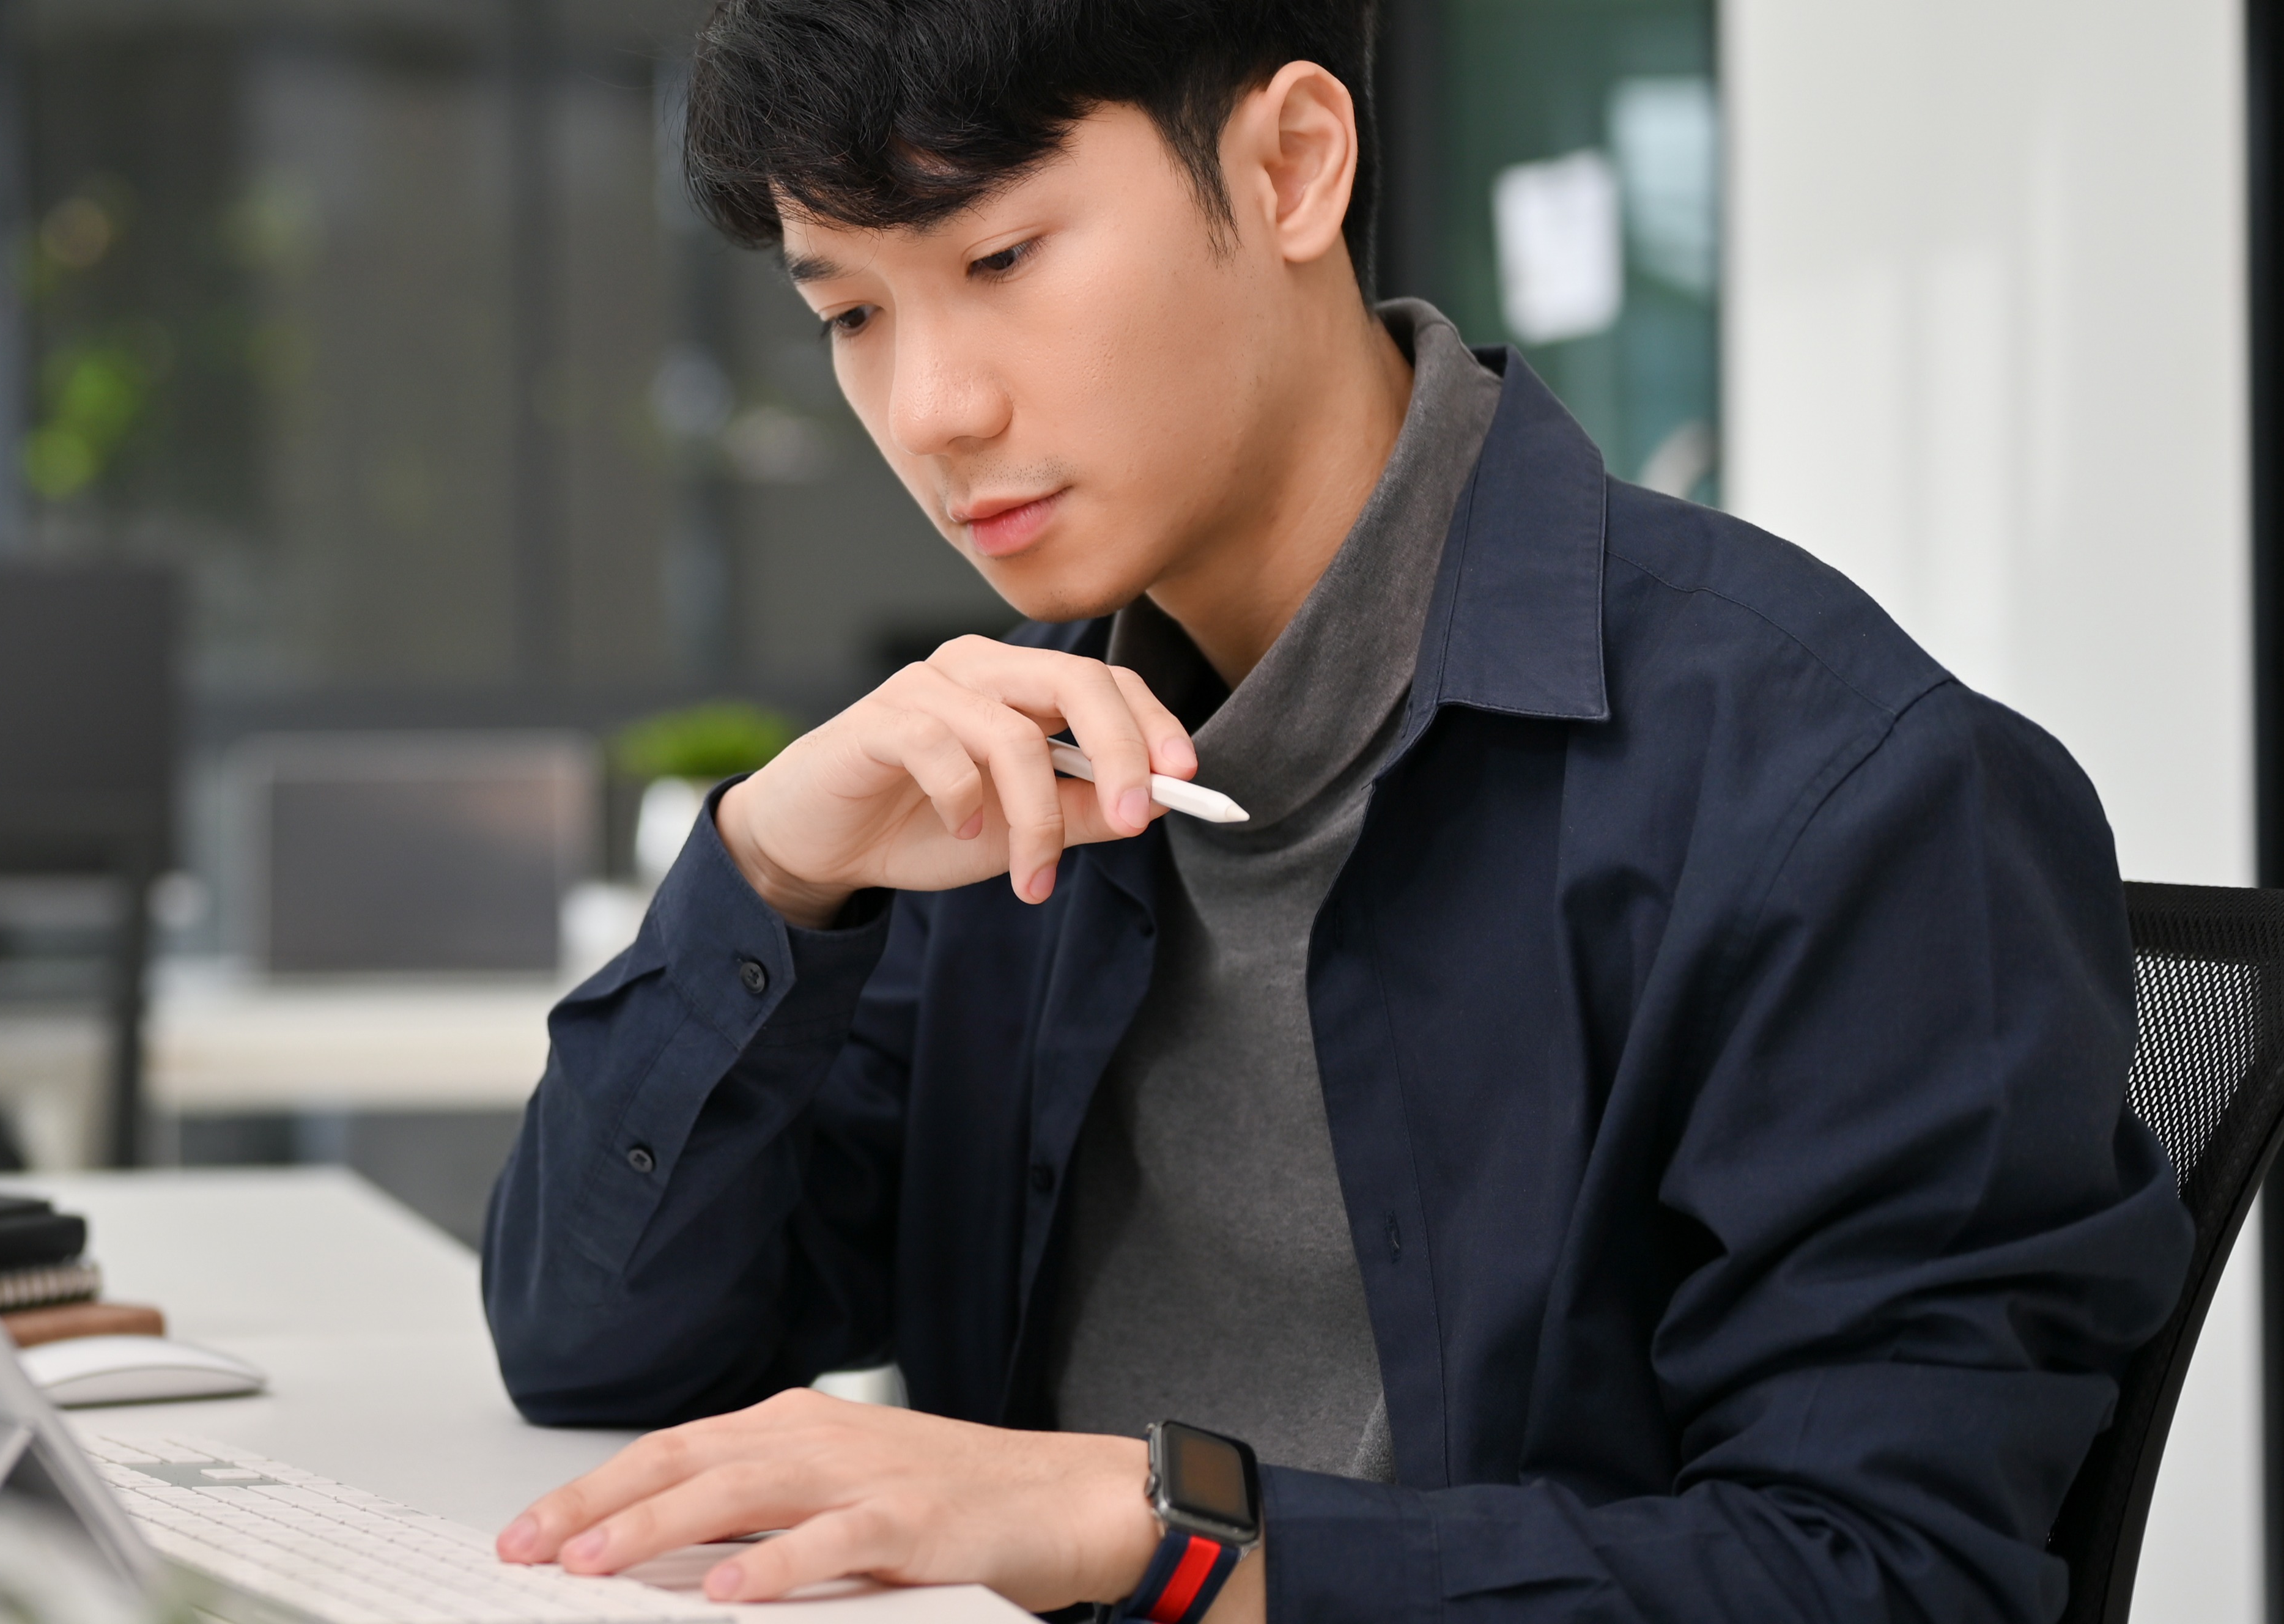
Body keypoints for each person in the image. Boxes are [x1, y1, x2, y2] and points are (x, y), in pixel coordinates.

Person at [475, 2, 2193, 1620]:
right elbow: (600, 1357)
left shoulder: (1836, 791)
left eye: (1000, 259)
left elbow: (1884, 1575)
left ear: (1290, 165)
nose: (933, 409)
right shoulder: (1004, 760)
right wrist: (776, 875)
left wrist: (1153, 1531)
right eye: (850, 312)